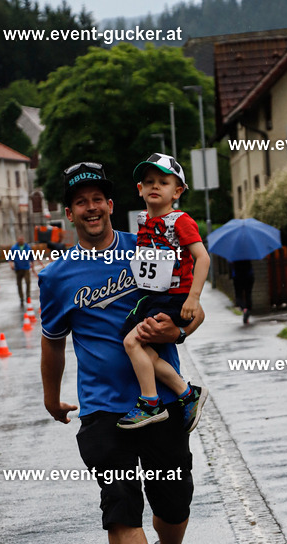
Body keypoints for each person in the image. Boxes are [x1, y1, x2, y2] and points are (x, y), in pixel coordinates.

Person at [39, 161, 204, 544]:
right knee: (120, 503)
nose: (91, 207)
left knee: (173, 505)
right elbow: (52, 342)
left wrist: (179, 328)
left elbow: (189, 309)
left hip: (159, 404)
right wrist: (52, 397)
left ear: (112, 205)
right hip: (103, 408)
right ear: (69, 213)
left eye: (98, 199)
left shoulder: (150, 245)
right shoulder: (57, 276)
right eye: (80, 201)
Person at [118, 153, 210, 431]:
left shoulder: (180, 221)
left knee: (132, 343)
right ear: (140, 190)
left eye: (163, 182)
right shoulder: (144, 220)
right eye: (149, 182)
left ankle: (150, 402)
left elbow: (203, 258)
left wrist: (193, 298)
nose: (155, 186)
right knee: (137, 345)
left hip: (174, 298)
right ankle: (186, 393)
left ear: (177, 191)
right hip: (153, 297)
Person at [6, 235, 34, 306]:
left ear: (23, 240)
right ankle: (21, 297)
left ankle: (28, 296)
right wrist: (11, 264)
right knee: (19, 284)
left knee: (28, 282)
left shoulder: (27, 247)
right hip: (18, 268)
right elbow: (10, 258)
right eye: (20, 239)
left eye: (22, 239)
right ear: (17, 240)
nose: (21, 240)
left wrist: (32, 264)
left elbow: (31, 257)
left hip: (26, 268)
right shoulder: (14, 248)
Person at [230, 259, 254, 324]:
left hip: (238, 277)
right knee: (248, 295)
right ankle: (247, 311)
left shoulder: (234, 256)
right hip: (249, 276)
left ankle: (244, 309)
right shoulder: (247, 254)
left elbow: (231, 267)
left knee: (238, 296)